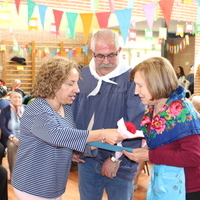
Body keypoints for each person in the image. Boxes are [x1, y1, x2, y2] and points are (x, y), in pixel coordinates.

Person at [11, 56, 124, 200]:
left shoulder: (66, 109)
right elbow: (56, 135)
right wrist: (102, 134)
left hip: (53, 186)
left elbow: (67, 140)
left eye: (76, 83)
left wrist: (96, 145)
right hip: (32, 185)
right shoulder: (37, 107)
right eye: (71, 83)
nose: (77, 89)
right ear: (53, 84)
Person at [72, 29, 145, 200]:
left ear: (120, 51)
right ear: (92, 53)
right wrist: (73, 146)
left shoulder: (131, 78)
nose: (106, 61)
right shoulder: (83, 76)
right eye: (100, 56)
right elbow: (71, 113)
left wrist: (115, 159)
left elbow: (135, 123)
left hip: (120, 161)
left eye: (111, 55)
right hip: (87, 158)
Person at [123, 57, 200, 200]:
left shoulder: (183, 112)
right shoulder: (153, 109)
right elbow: (165, 145)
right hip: (165, 182)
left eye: (140, 85)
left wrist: (148, 155)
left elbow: (194, 157)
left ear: (156, 83)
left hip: (188, 189)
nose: (135, 91)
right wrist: (144, 150)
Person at [0, 90, 26, 178]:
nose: (17, 99)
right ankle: (15, 176)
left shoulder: (27, 109)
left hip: (25, 136)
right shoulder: (5, 111)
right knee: (12, 146)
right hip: (9, 137)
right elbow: (3, 127)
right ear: (10, 99)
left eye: (19, 97)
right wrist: (13, 138)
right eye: (15, 97)